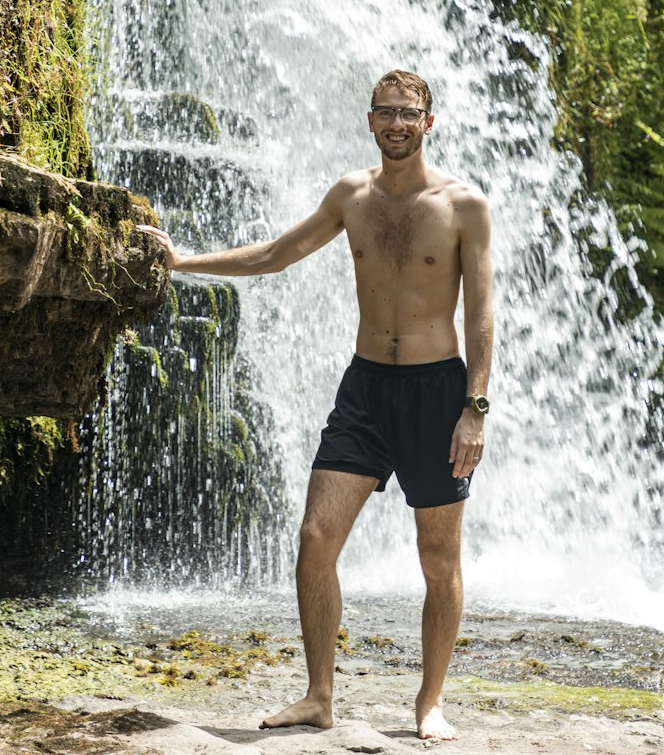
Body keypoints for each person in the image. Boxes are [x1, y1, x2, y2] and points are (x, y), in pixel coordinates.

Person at [138, 69, 493, 742]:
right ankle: (319, 695)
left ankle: (430, 703)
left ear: (429, 121)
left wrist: (474, 405)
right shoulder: (350, 196)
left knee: (439, 556)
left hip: (436, 392)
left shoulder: (464, 205)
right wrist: (181, 263)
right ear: (369, 120)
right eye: (385, 111)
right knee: (314, 541)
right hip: (365, 390)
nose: (396, 122)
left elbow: (482, 314)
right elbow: (276, 253)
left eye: (408, 113)